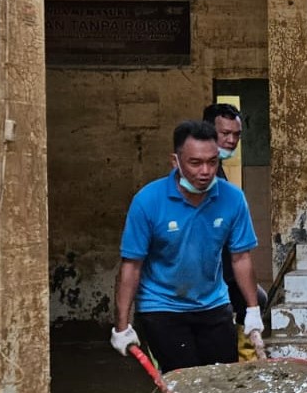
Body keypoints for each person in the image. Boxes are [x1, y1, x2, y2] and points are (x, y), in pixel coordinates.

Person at [110, 120, 263, 375]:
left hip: (214, 303)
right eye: (195, 163)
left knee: (224, 380)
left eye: (213, 162)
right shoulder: (148, 201)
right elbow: (132, 266)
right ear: (175, 161)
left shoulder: (232, 199)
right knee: (186, 383)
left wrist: (252, 310)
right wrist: (121, 326)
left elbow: (241, 258)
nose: (205, 171)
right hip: (161, 306)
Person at [202, 101, 268, 360]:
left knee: (256, 300)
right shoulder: (203, 176)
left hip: (225, 264)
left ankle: (247, 361)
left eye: (236, 135)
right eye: (225, 134)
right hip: (202, 271)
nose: (231, 140)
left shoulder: (224, 181)